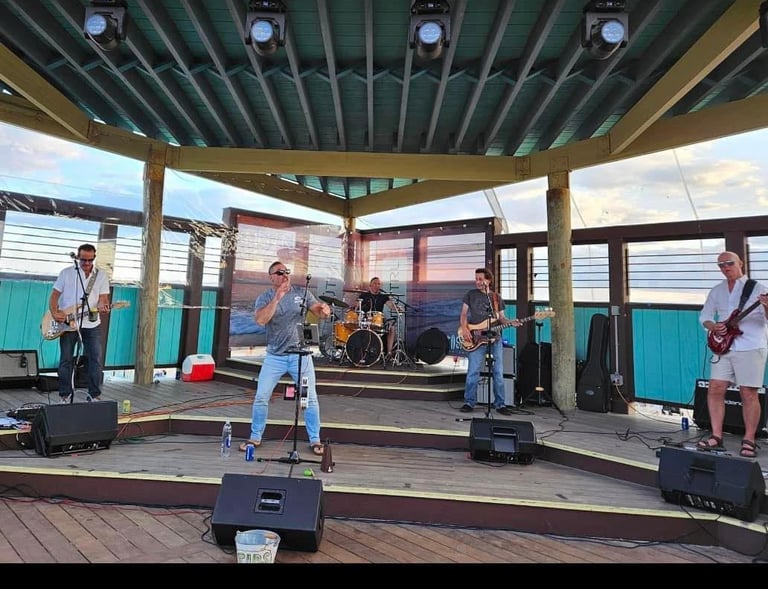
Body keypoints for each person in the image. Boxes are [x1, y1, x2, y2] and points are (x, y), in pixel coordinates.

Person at [239, 261, 332, 456]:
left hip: (301, 356)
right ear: (271, 277)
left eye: (286, 272)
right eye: (280, 272)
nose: (284, 275)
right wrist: (277, 297)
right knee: (261, 396)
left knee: (310, 398)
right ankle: (255, 436)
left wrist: (324, 311)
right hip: (275, 357)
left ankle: (315, 439)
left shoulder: (301, 292)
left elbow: (317, 309)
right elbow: (261, 320)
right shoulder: (265, 297)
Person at [698, 251, 768, 458]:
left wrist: (766, 306)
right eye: (721, 265)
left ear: (741, 263)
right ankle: (716, 436)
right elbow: (705, 316)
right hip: (724, 347)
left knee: (748, 393)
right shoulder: (717, 290)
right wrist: (714, 326)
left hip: (750, 346)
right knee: (715, 388)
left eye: (729, 263)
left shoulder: (758, 288)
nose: (725, 267)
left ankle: (749, 439)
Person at [48, 243, 111, 403]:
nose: (86, 263)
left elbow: (103, 298)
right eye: (83, 260)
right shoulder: (66, 273)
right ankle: (65, 395)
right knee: (66, 359)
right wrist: (55, 312)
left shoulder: (101, 275)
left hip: (92, 324)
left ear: (94, 258)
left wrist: (104, 306)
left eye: (90, 260)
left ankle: (94, 395)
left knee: (95, 359)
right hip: (68, 323)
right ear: (77, 257)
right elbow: (54, 295)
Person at [459, 268, 520, 415]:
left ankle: (500, 404)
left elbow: (501, 318)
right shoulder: (470, 295)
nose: (478, 282)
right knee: (473, 371)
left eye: (480, 279)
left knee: (498, 372)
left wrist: (511, 322)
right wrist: (465, 328)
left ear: (488, 280)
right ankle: (469, 402)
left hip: (494, 339)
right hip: (476, 338)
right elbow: (463, 314)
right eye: (476, 279)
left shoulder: (496, 298)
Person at [358, 277, 402, 354]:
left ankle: (389, 353)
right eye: (375, 283)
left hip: (379, 320)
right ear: (370, 285)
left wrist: (397, 308)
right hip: (366, 319)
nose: (377, 285)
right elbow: (357, 307)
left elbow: (391, 305)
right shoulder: (364, 295)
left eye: (378, 284)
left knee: (391, 328)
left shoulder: (383, 296)